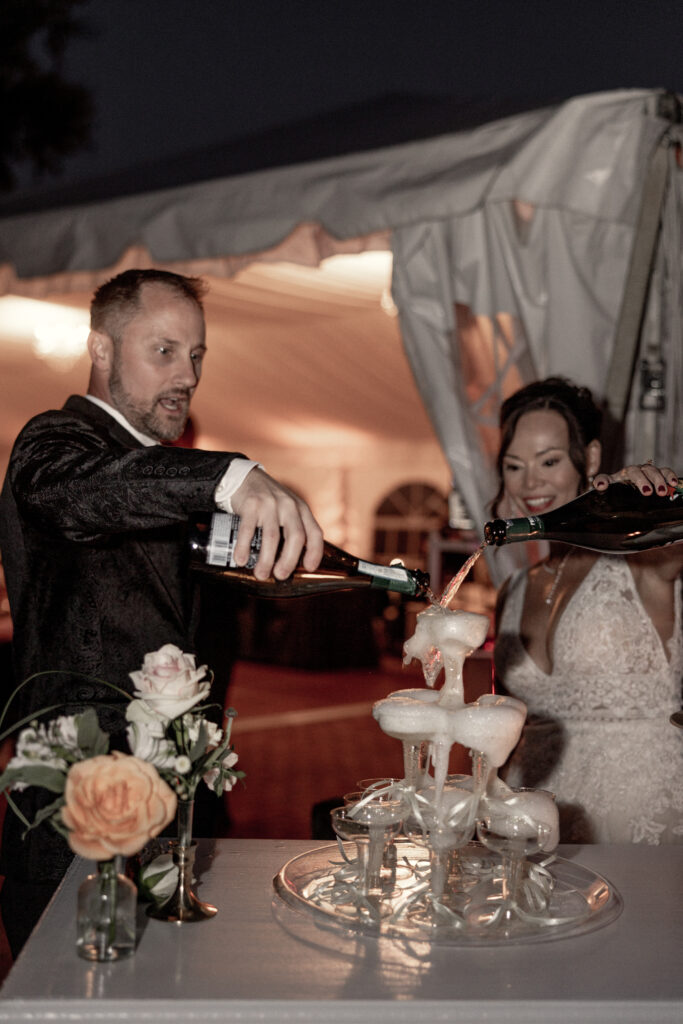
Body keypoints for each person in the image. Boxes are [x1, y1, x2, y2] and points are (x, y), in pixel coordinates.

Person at [0, 268, 324, 954]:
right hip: (71, 819)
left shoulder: (159, 475)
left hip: (168, 812)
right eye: (165, 351)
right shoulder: (52, 443)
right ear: (101, 348)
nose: (188, 375)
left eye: (198, 354)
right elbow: (83, 496)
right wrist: (229, 473)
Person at [492, 377, 683, 844]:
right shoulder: (514, 588)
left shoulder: (647, 560)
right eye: (514, 466)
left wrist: (662, 496)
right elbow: (497, 729)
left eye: (549, 461)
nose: (530, 482)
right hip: (533, 828)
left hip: (639, 820)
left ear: (591, 459)